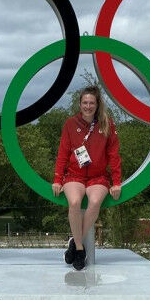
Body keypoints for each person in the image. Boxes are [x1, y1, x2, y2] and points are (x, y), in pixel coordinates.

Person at [52, 86, 121, 270]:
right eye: (85, 102)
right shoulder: (70, 124)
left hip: (98, 177)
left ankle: (74, 243)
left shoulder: (107, 124)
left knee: (95, 201)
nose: (88, 106)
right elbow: (63, 153)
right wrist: (58, 178)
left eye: (92, 103)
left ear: (97, 105)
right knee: (74, 202)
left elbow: (114, 155)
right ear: (79, 104)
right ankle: (80, 249)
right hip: (74, 175)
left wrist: (116, 182)